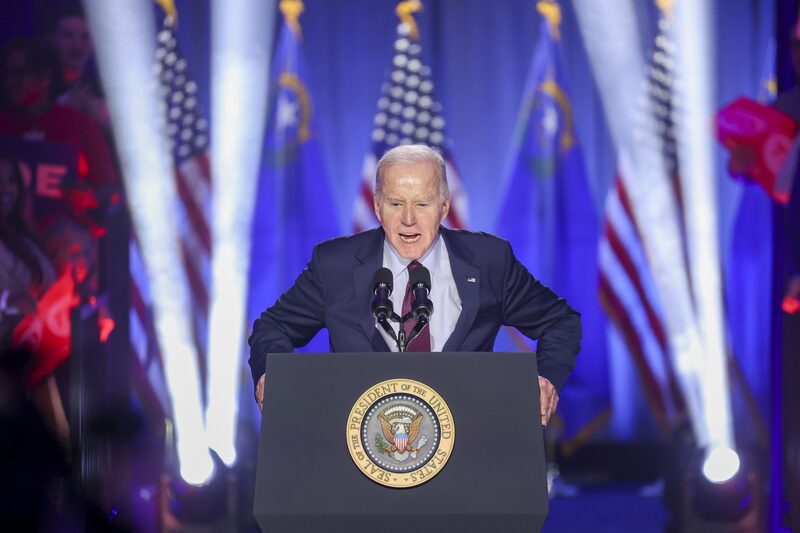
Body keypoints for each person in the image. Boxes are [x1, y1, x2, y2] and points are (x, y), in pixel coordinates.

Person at [249, 144, 582, 427]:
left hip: (467, 448)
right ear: (377, 206)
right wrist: (270, 374)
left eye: (422, 204)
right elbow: (273, 326)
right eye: (396, 204)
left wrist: (547, 378)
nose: (408, 219)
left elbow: (560, 322)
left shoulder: (488, 261)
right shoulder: (335, 265)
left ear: (444, 206)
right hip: (362, 455)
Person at [47, 4, 111, 131]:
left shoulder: (103, 87)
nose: (77, 45)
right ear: (52, 39)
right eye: (68, 36)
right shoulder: (36, 83)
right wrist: (64, 108)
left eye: (85, 37)